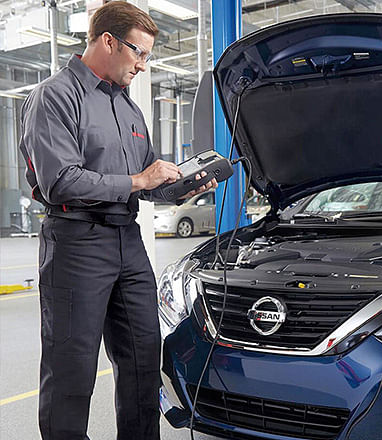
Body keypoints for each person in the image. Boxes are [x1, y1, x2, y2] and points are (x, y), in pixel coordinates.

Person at [18, 2, 216, 439]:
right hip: (75, 244)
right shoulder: (53, 96)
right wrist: (138, 179)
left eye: (147, 56)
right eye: (138, 53)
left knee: (144, 361)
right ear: (108, 41)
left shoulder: (129, 110)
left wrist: (182, 186)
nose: (143, 65)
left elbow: (145, 183)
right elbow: (61, 182)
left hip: (128, 242)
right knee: (72, 370)